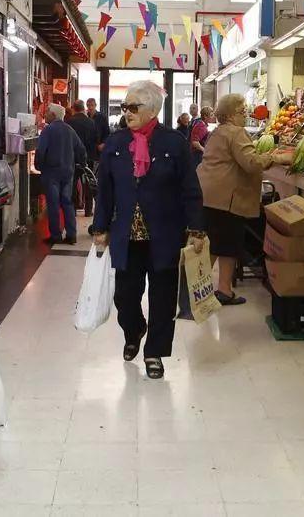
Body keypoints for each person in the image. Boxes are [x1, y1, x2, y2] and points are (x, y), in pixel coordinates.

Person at [92, 80, 206, 380]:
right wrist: (100, 226)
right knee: (126, 297)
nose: (126, 112)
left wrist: (196, 228)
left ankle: (154, 351)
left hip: (164, 233)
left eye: (133, 107)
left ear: (153, 109)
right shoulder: (115, 144)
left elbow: (190, 189)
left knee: (163, 298)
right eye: (124, 107)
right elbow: (104, 190)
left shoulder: (173, 143)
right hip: (126, 236)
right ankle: (134, 328)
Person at [197, 93, 292, 305]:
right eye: (242, 111)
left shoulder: (218, 132)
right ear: (230, 115)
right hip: (227, 198)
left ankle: (223, 290)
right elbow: (251, 163)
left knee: (224, 244)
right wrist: (276, 157)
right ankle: (198, 294)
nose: (245, 115)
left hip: (212, 195)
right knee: (221, 244)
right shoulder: (236, 132)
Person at [36, 102, 86, 244]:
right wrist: (80, 164)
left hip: (51, 172)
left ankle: (56, 236)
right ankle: (71, 235)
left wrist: (39, 166)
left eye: (47, 112)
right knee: (67, 203)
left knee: (53, 204)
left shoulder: (48, 130)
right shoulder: (69, 130)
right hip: (68, 172)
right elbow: (81, 149)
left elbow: (40, 151)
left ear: (53, 114)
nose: (45, 115)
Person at [67, 100, 99, 217]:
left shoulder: (69, 122)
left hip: (73, 158)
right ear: (83, 108)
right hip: (88, 157)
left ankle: (74, 209)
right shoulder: (91, 122)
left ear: (74, 109)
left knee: (73, 184)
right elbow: (96, 139)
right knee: (88, 184)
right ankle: (88, 210)